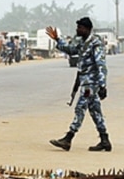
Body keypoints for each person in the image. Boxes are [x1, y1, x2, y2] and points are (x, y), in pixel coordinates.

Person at [46, 17, 112, 152]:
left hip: (91, 84)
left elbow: (101, 65)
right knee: (95, 112)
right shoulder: (83, 43)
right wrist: (58, 39)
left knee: (80, 108)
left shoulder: (95, 43)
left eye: (80, 27)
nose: (77, 30)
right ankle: (105, 140)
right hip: (85, 81)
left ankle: (68, 138)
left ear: (87, 29)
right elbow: (70, 50)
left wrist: (103, 85)